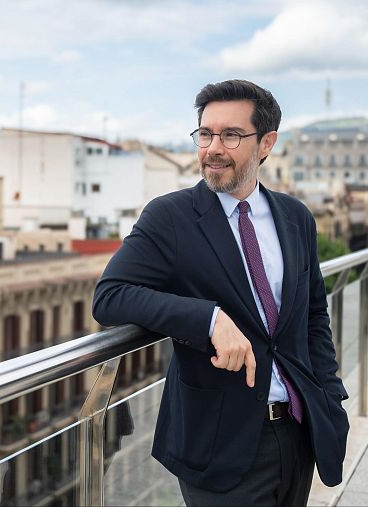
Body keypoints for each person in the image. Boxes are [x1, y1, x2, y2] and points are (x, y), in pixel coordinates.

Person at [91, 79, 349, 506]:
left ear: (266, 143)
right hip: (218, 446)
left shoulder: (295, 217)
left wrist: (330, 395)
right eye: (205, 133)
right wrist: (208, 319)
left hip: (298, 431)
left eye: (231, 135)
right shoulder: (169, 217)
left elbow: (313, 316)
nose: (212, 148)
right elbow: (110, 296)